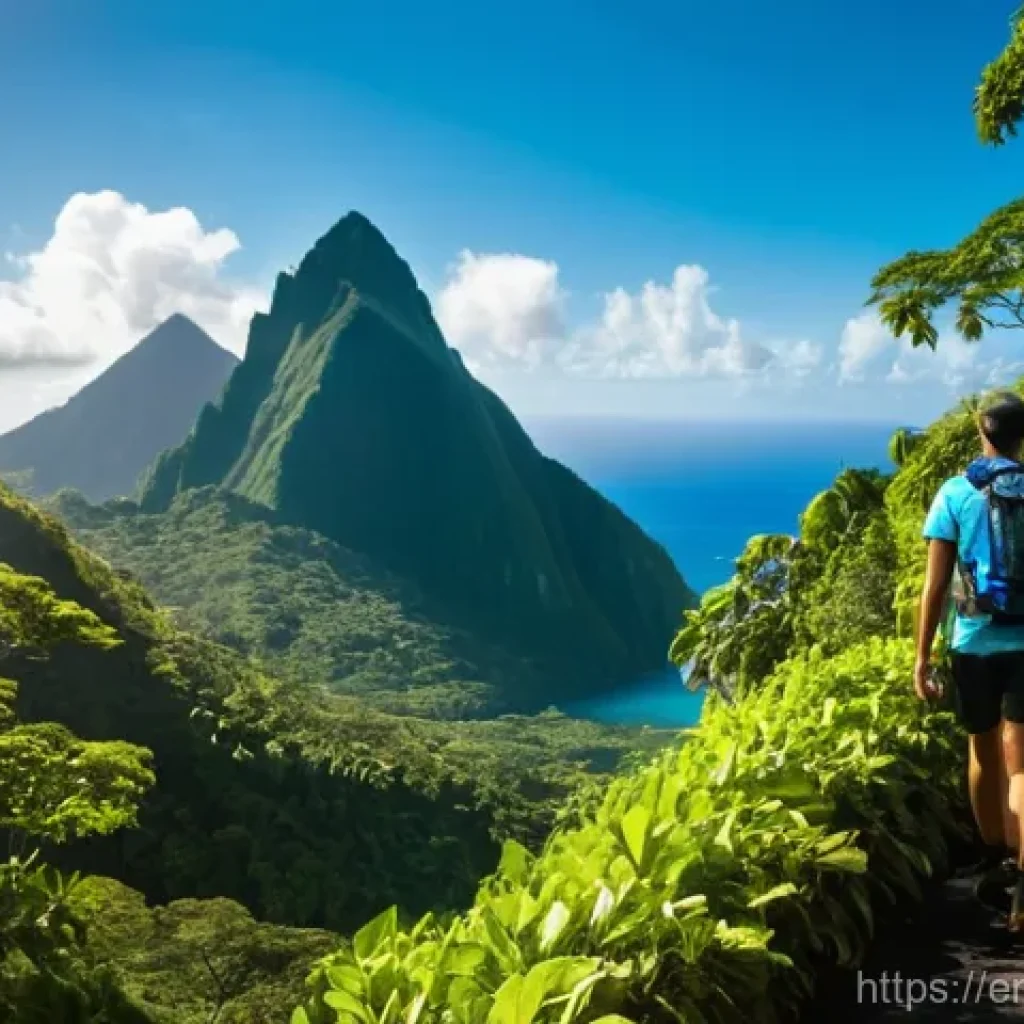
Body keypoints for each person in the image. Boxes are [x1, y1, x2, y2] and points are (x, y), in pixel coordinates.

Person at [916, 390, 1024, 930]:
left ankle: (997, 858)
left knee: (982, 748)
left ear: (982, 434)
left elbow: (935, 587)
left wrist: (921, 658)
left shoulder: (957, 492)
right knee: (1022, 762)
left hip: (974, 643)